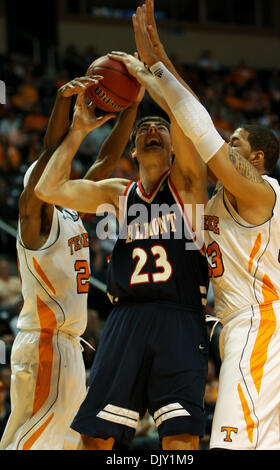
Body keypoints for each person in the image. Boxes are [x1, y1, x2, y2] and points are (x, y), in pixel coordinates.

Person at [133, 0, 280, 450]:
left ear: (257, 158)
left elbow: (203, 132)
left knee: (228, 444)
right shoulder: (215, 203)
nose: (227, 145)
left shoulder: (263, 191)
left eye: (236, 143)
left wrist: (161, 74)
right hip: (242, 329)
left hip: (260, 324)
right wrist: (160, 59)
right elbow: (192, 125)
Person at [34, 51, 209, 450]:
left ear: (173, 147)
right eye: (144, 128)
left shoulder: (187, 184)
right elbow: (47, 189)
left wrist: (147, 81)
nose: (152, 130)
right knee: (95, 438)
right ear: (131, 151)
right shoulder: (118, 195)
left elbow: (187, 115)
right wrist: (78, 130)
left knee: (181, 438)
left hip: (178, 317)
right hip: (124, 318)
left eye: (160, 129)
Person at [0, 74, 142, 450]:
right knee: (34, 444)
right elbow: (51, 152)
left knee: (62, 443)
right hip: (46, 343)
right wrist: (65, 107)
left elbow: (107, 159)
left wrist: (132, 105)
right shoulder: (36, 220)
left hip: (68, 348)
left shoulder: (70, 211)